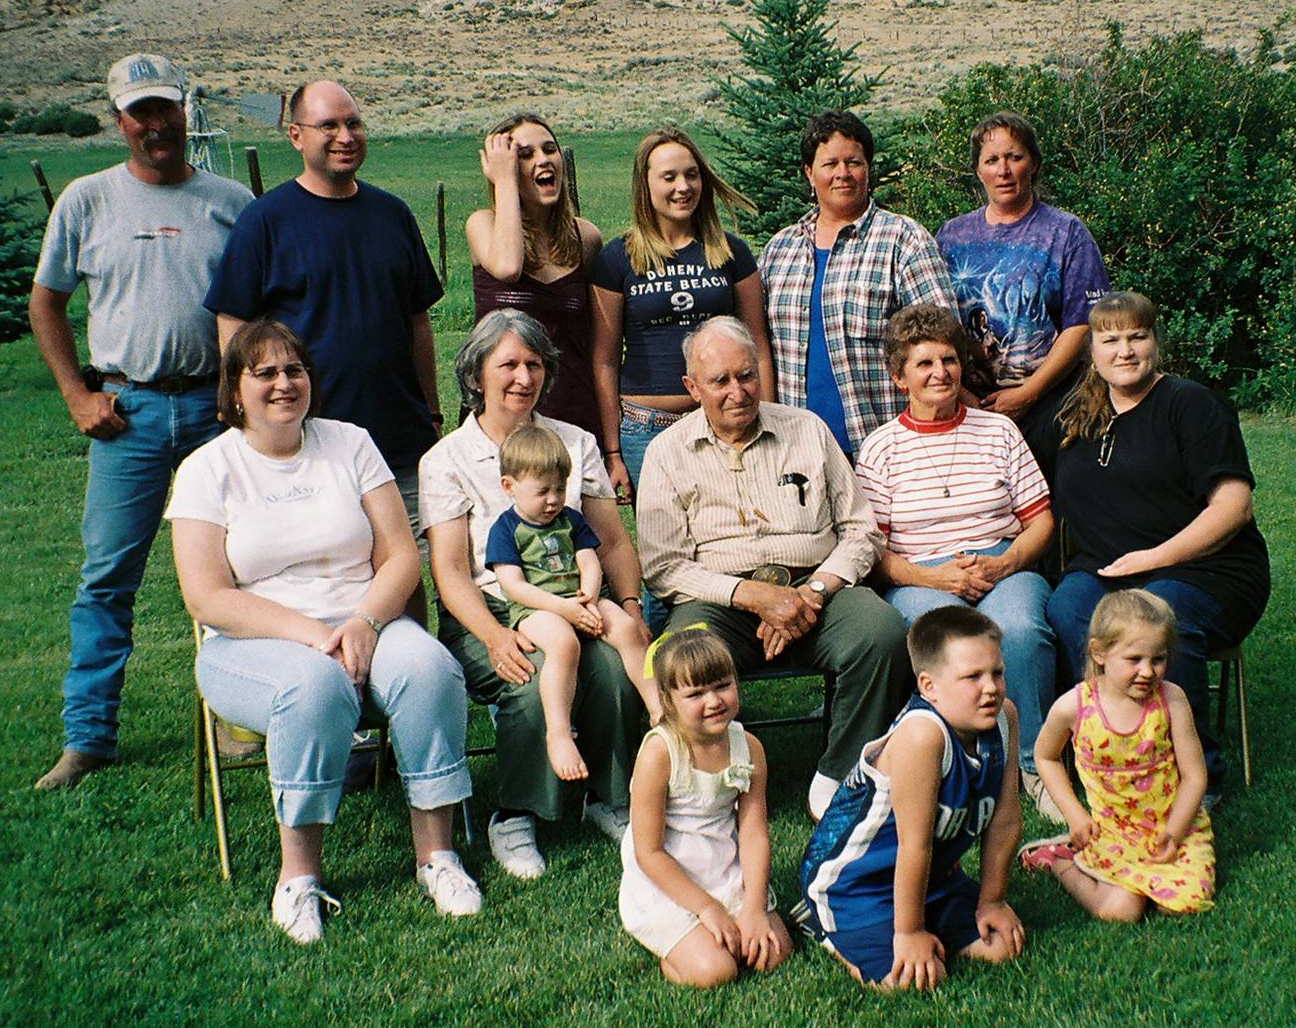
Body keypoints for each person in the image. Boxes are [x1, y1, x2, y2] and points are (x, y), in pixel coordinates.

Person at [167, 319, 476, 943]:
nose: (284, 383)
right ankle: (299, 878)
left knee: (430, 669)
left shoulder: (350, 444)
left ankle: (437, 857)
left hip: (365, 620)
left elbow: (401, 557)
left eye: (295, 370)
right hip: (253, 642)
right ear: (234, 389)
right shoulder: (207, 468)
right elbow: (207, 597)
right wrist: (312, 634)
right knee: (312, 686)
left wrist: (364, 620)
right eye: (265, 373)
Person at [29, 53, 253, 789]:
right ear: (119, 120)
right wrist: (76, 395)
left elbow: (259, 303)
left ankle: (240, 714)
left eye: (167, 108)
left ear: (185, 111)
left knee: (239, 565)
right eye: (141, 112)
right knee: (107, 576)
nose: (157, 124)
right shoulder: (88, 200)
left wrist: (245, 395)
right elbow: (47, 303)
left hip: (218, 411)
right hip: (128, 414)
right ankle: (89, 736)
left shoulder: (230, 201)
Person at [637, 315, 912, 821]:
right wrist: (753, 596)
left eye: (747, 375)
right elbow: (664, 566)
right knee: (681, 656)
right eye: (720, 381)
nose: (738, 391)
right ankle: (705, 784)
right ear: (692, 388)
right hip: (722, 601)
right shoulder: (667, 452)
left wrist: (814, 592)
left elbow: (861, 530)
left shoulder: (806, 429)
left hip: (815, 586)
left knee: (881, 633)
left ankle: (844, 772)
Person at [422, 309, 650, 880]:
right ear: (476, 375)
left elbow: (612, 540)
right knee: (529, 677)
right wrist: (494, 636)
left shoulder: (574, 442)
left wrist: (628, 605)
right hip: (490, 610)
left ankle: (609, 796)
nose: (523, 378)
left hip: (576, 597)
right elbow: (450, 572)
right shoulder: (446, 460)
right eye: (508, 365)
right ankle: (515, 813)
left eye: (534, 364)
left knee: (614, 669)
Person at [204, 80, 445, 618]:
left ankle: (409, 665)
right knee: (321, 577)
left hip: (395, 434)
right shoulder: (265, 221)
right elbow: (234, 322)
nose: (345, 136)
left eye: (353, 123)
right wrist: (243, 410)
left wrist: (430, 410)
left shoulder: (392, 214)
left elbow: (417, 320)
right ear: (296, 135)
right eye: (328, 125)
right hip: (306, 442)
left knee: (403, 575)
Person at [1045, 291, 1270, 796]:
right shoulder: (1075, 416)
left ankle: (1192, 775)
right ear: (1092, 351)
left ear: (1155, 343)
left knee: (1160, 613)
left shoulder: (1191, 404)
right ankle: (1113, 749)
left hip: (1207, 572)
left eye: (1137, 337)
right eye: (1110, 340)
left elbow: (1234, 506)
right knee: (1066, 607)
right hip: (1107, 570)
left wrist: (1155, 558)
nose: (1124, 351)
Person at [854, 303, 1061, 823]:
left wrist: (1005, 564)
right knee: (945, 643)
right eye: (923, 363)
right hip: (920, 574)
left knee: (1021, 630)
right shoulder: (880, 448)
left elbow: (1040, 521)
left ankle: (1034, 765)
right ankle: (954, 762)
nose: (939, 373)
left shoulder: (998, 431)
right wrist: (933, 577)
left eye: (948, 360)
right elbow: (874, 552)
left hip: (1002, 561)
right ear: (899, 377)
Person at [793, 606, 1025, 991]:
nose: (991, 688)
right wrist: (910, 932)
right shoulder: (922, 736)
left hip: (932, 876)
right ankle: (820, 921)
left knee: (1001, 946)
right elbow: (912, 844)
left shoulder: (1005, 717)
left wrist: (993, 901)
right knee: (909, 980)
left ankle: (922, 916)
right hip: (857, 885)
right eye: (972, 677)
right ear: (928, 686)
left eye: (997, 672)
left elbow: (1005, 819)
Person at [759, 110, 958, 459]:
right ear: (809, 173)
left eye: (853, 162)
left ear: (868, 168)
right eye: (830, 164)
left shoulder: (903, 239)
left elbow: (944, 337)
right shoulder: (780, 249)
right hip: (797, 449)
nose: (842, 173)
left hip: (886, 448)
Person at [591, 126, 775, 500]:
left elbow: (757, 345)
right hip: (646, 429)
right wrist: (612, 452)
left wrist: (767, 423)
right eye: (669, 177)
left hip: (725, 422)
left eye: (692, 175)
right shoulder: (617, 258)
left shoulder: (731, 252)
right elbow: (604, 361)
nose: (683, 187)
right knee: (663, 533)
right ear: (645, 184)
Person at [1022, 589, 1215, 920]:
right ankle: (1059, 861)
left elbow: (1195, 776)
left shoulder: (1172, 700)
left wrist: (1175, 831)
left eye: (1158, 659)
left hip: (1174, 825)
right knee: (1122, 911)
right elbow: (1046, 757)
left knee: (1183, 904)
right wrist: (1075, 814)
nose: (1148, 671)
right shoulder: (1074, 706)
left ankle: (1153, 875)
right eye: (1134, 659)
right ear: (1099, 652)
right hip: (1114, 831)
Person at [937, 111, 1110, 475]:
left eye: (1014, 157)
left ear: (1033, 163)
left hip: (1053, 405)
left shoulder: (1067, 233)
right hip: (970, 409)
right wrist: (964, 397)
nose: (1003, 170)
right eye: (992, 160)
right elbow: (937, 323)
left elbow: (1082, 324)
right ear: (978, 170)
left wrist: (1029, 392)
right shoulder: (951, 237)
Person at [619, 628, 791, 987]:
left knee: (775, 954)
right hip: (669, 876)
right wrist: (707, 908)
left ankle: (728, 922)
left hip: (722, 865)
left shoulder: (750, 747)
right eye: (695, 694)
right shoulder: (660, 753)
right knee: (716, 971)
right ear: (668, 701)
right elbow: (648, 852)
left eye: (722, 686)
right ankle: (677, 948)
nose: (713, 701)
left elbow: (753, 832)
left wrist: (755, 908)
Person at [486, 423, 657, 780]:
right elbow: (514, 586)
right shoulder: (506, 529)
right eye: (542, 491)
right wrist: (564, 608)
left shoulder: (570, 519)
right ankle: (560, 733)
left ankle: (657, 707)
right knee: (564, 645)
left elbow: (588, 561)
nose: (553, 499)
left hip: (579, 598)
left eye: (560, 488)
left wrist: (590, 596)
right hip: (536, 609)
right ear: (509, 486)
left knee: (626, 628)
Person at [467, 113, 603, 437]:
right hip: (502, 420)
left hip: (573, 415)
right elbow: (508, 267)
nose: (543, 160)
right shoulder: (483, 224)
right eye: (525, 155)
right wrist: (505, 183)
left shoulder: (585, 238)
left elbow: (596, 344)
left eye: (550, 149)